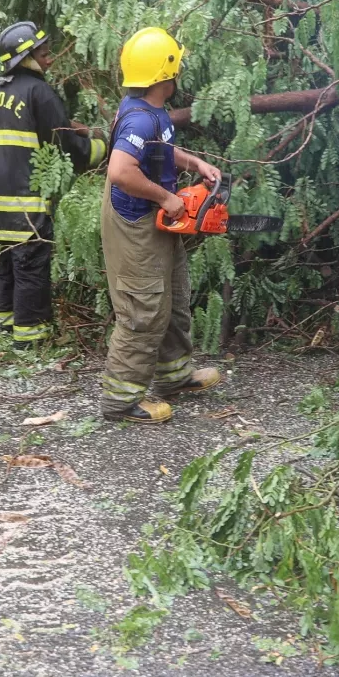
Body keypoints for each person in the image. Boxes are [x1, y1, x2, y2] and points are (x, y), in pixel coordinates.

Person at [101, 26, 222, 424]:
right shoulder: (139, 121)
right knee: (143, 309)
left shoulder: (151, 110)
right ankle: (121, 401)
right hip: (136, 224)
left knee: (171, 297)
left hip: (154, 223)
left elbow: (162, 150)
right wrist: (168, 198)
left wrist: (194, 164)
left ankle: (174, 376)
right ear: (165, 75)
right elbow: (120, 170)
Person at [0, 21, 106, 349]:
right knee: (30, 269)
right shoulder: (39, 92)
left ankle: (3, 327)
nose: (50, 59)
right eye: (43, 53)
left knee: (9, 266)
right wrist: (105, 147)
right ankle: (30, 341)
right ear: (25, 57)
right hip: (24, 209)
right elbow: (68, 149)